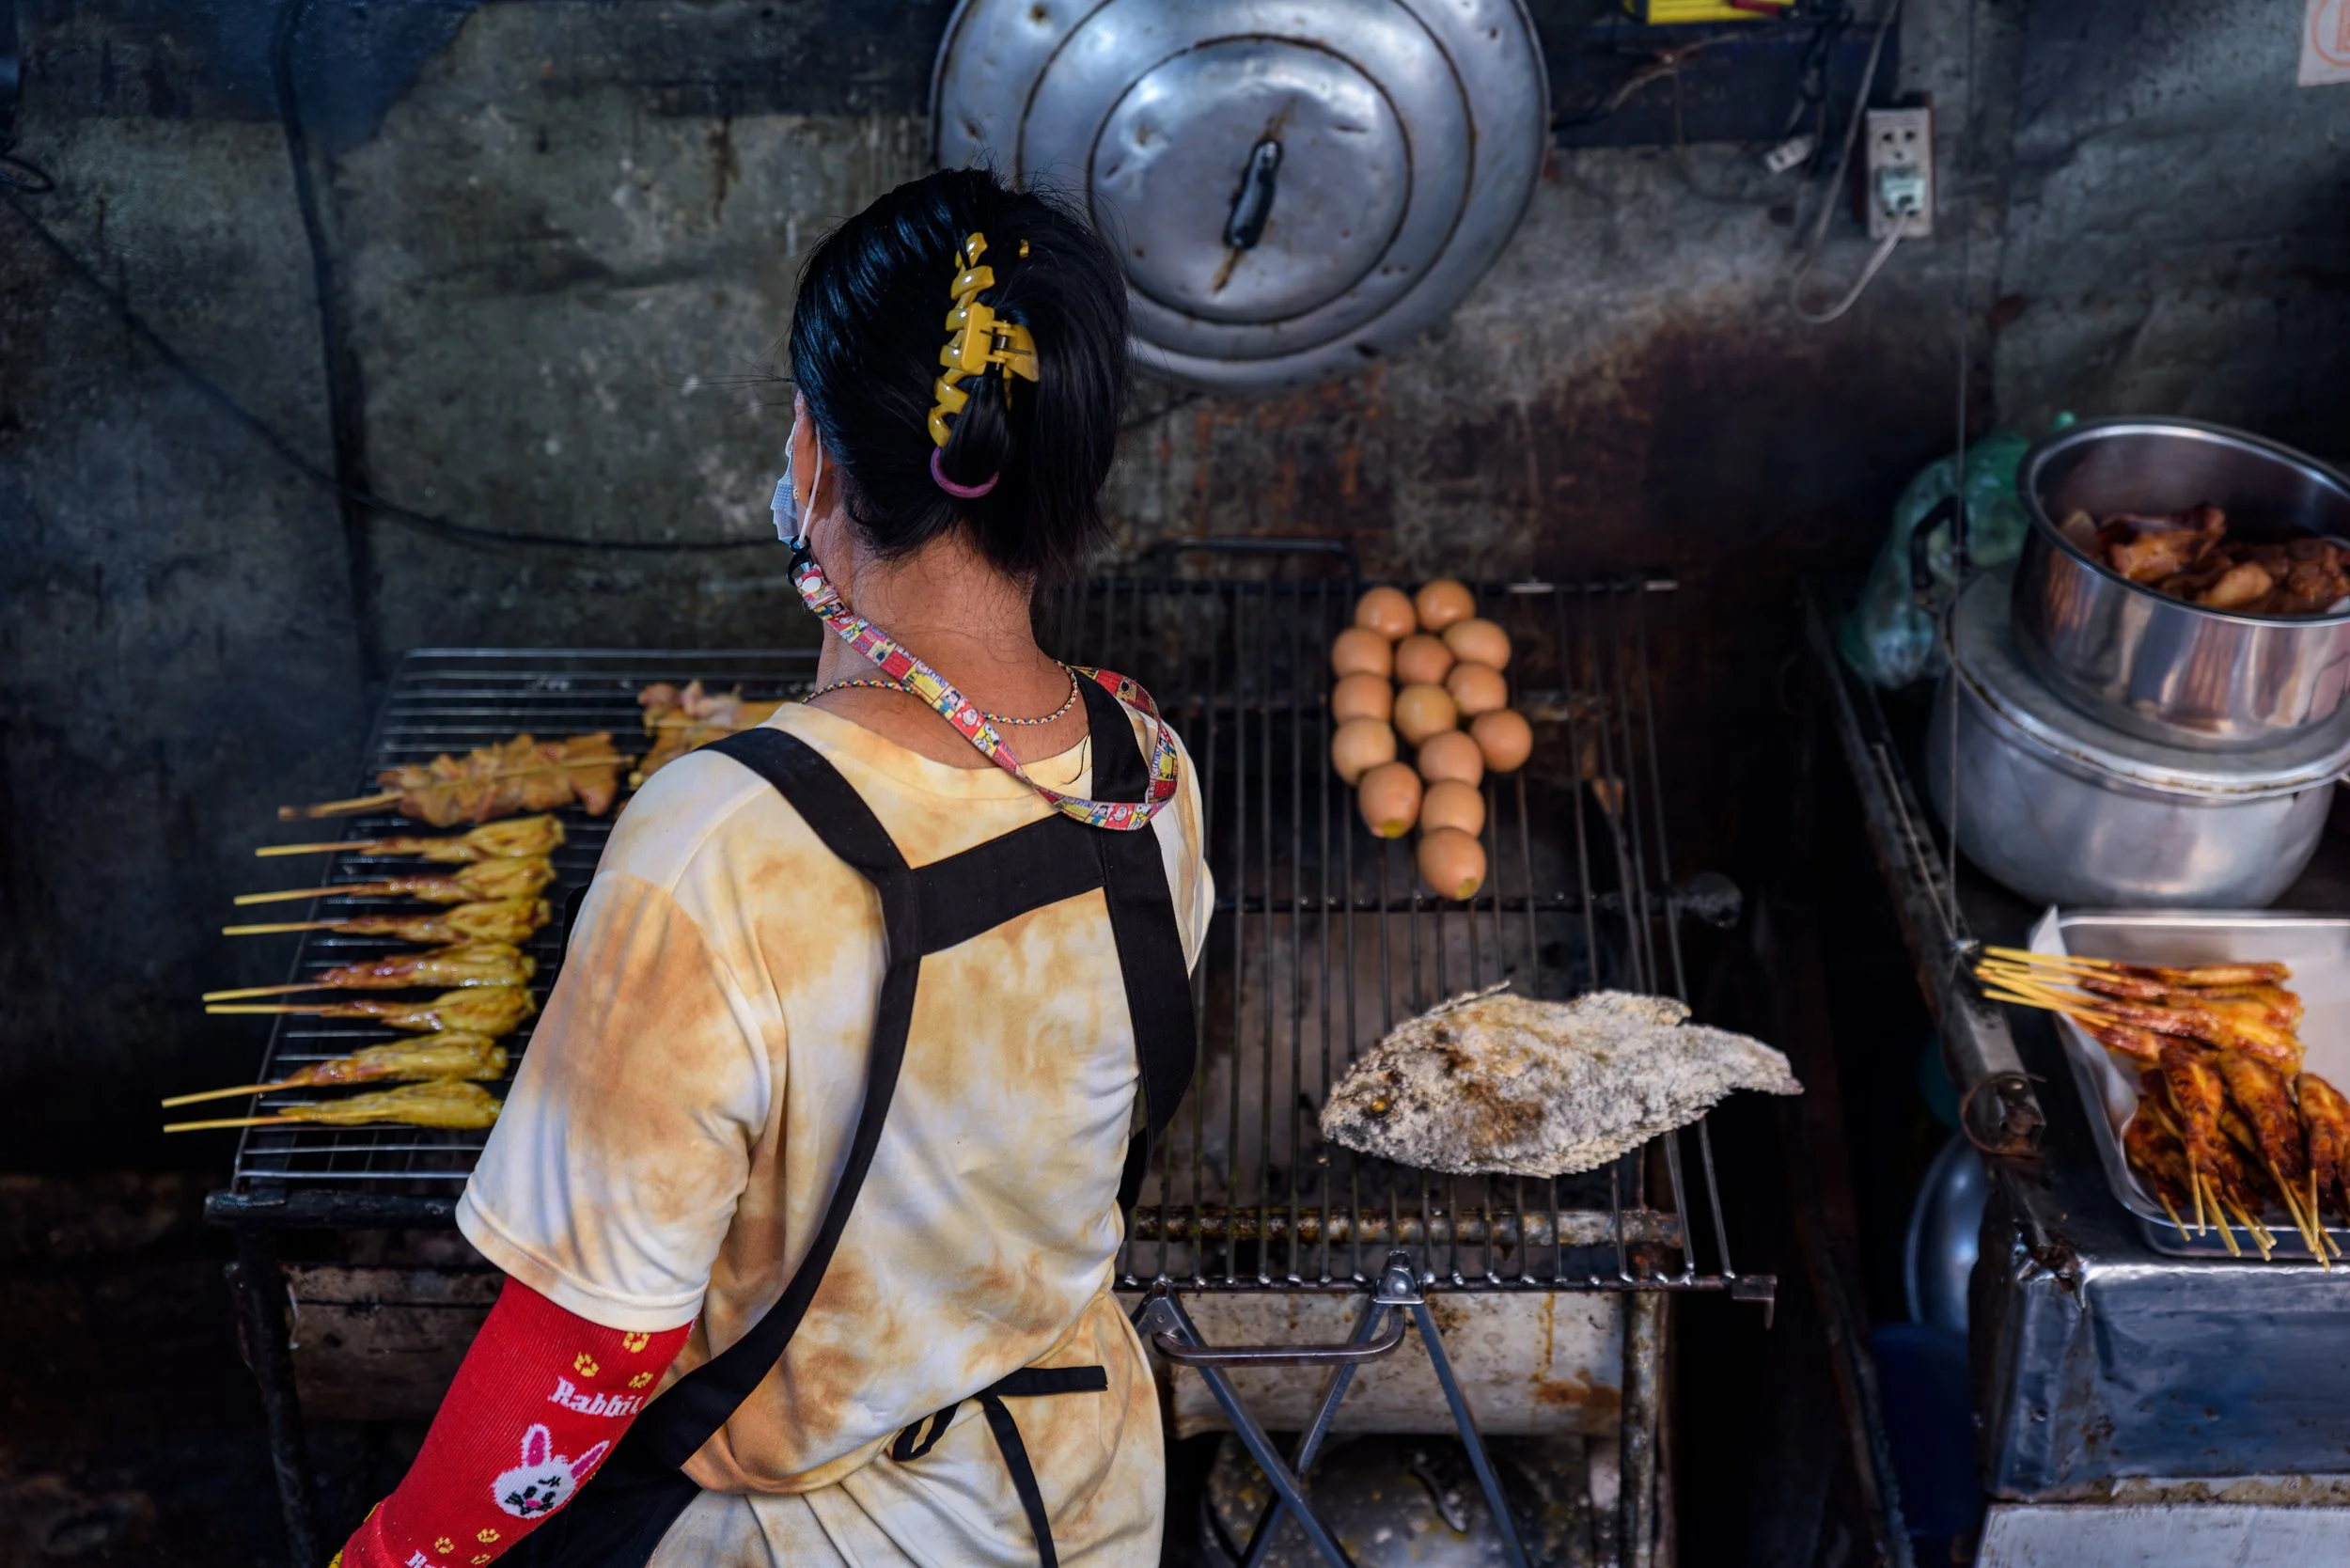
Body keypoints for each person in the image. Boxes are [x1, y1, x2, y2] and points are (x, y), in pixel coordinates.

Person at [333, 167, 1211, 1568]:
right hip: (1083, 1496)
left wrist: (385, 1559)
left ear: (813, 457)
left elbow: (587, 1349)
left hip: (820, 1534)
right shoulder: (1143, 771)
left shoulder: (724, 844)